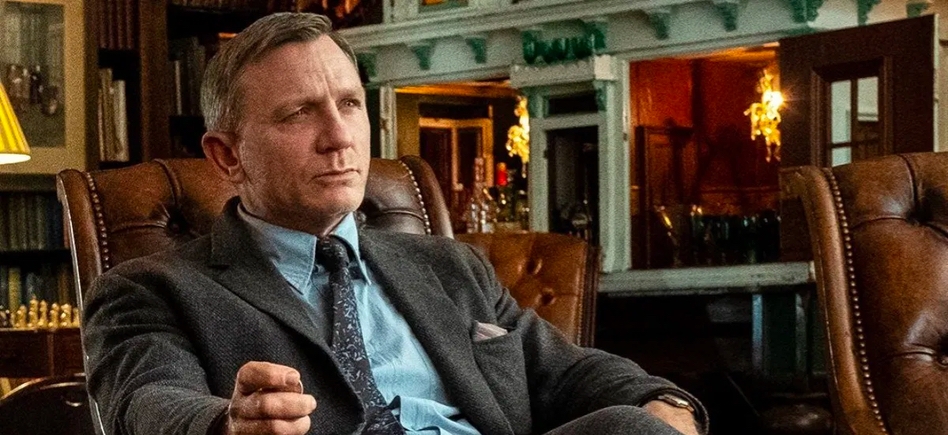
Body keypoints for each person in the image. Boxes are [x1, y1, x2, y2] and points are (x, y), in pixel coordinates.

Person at [82, 12, 708, 435]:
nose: (339, 137)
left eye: (350, 103)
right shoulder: (151, 290)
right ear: (227, 156)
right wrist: (226, 425)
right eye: (299, 113)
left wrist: (666, 405)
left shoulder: (449, 266)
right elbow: (146, 404)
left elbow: (567, 372)